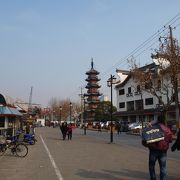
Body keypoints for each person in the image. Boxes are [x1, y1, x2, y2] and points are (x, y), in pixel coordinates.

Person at [142, 115, 172, 180]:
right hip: (163, 151)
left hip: (153, 150)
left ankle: (153, 178)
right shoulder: (167, 129)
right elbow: (170, 140)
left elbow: (147, 137)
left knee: (151, 166)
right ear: (164, 120)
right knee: (163, 167)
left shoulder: (153, 128)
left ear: (157, 120)